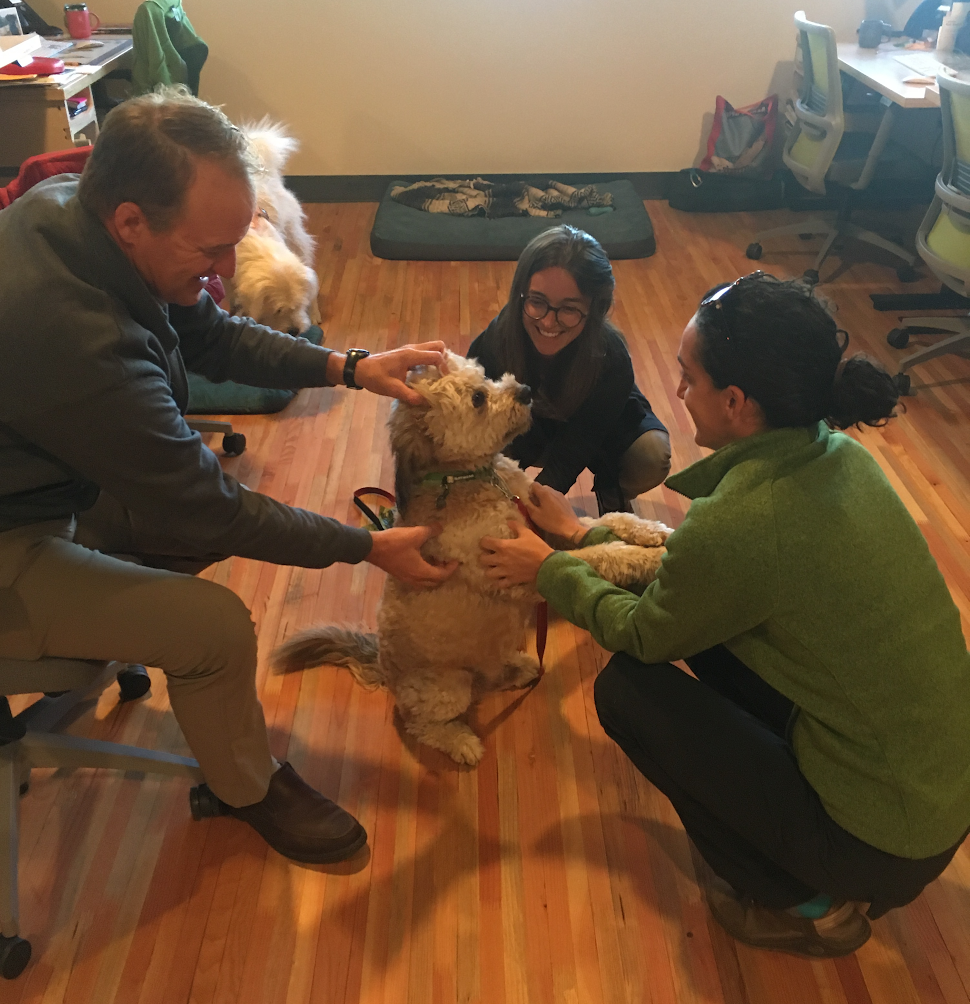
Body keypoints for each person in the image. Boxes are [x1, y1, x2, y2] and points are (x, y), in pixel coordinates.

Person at [0, 88, 458, 866]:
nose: (224, 271)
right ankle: (245, 787)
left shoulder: (72, 208)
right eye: (209, 251)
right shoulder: (75, 338)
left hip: (41, 481)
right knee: (211, 626)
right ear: (132, 222)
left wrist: (348, 365)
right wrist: (364, 548)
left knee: (177, 526)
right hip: (13, 533)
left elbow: (208, 334)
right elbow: (216, 511)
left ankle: (107, 616)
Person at [480, 272, 970, 957]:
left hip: (878, 841)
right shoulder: (839, 457)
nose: (678, 393)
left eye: (687, 378)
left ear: (736, 401)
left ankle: (810, 905)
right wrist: (581, 536)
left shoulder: (746, 520)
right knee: (710, 633)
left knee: (628, 689)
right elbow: (700, 576)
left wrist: (550, 571)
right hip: (931, 795)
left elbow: (645, 630)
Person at [467, 225, 670, 516]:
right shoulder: (495, 341)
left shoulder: (612, 358)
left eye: (569, 309)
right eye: (537, 302)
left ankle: (613, 491)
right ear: (520, 295)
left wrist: (534, 509)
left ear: (596, 309)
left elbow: (578, 446)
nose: (549, 323)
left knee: (651, 454)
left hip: (598, 432)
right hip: (528, 431)